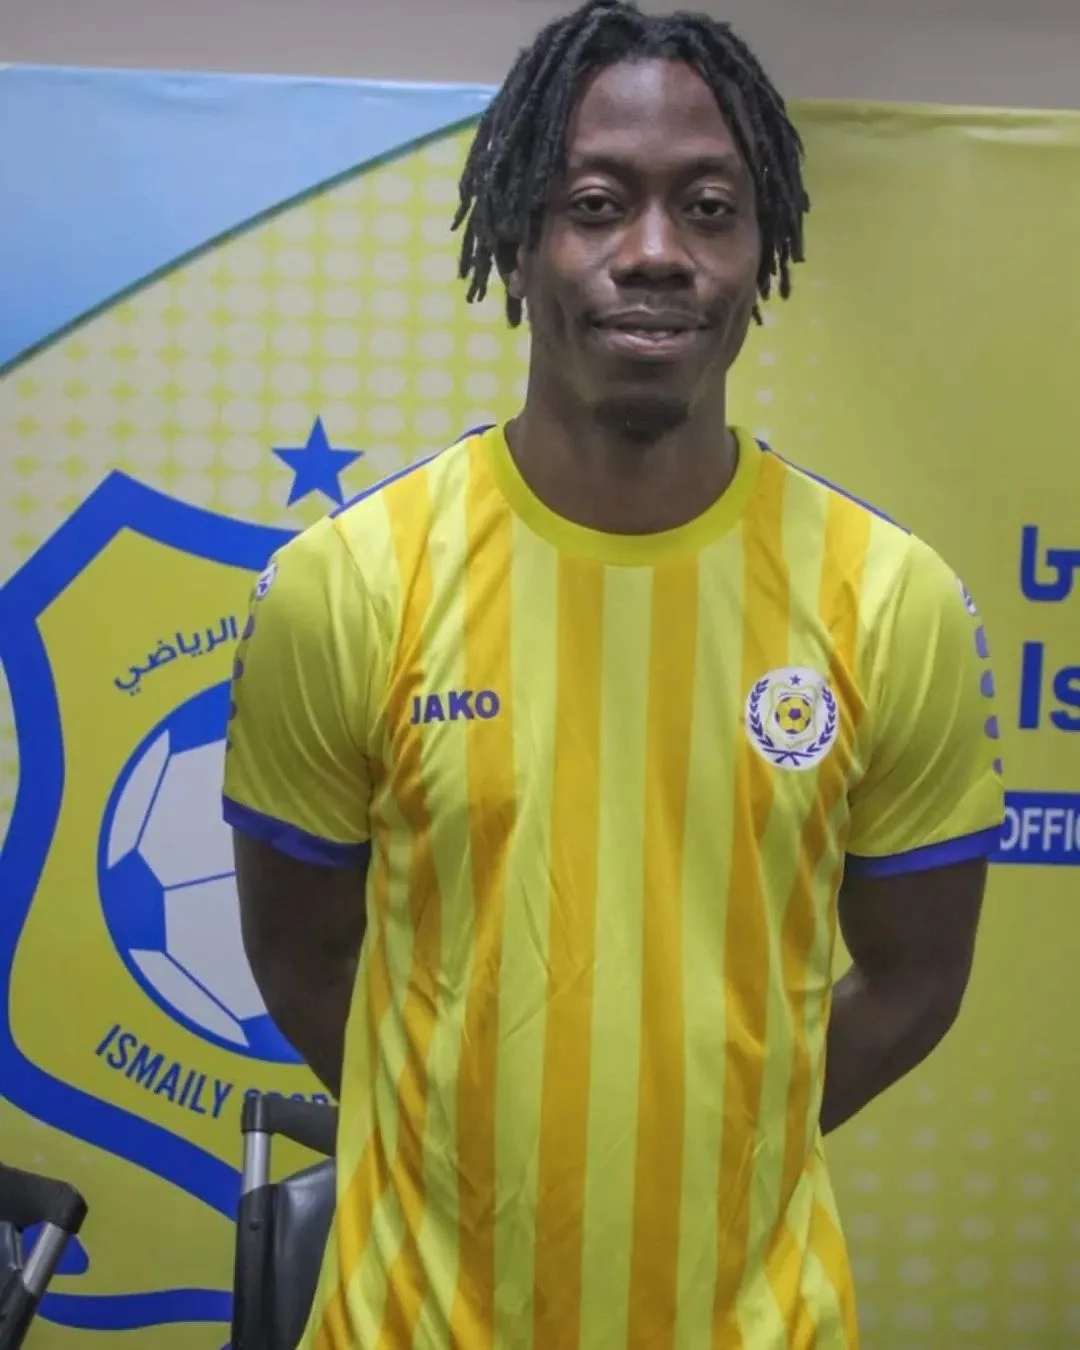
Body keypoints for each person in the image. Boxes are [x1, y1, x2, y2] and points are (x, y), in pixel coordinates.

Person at [222, 0, 1005, 1345]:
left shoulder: (891, 599)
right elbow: (301, 955)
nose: (655, 252)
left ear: (760, 252)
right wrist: (466, 1143)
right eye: (596, 204)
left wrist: (719, 1141)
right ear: (519, 244)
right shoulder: (348, 586)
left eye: (709, 208)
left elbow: (919, 979)